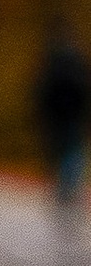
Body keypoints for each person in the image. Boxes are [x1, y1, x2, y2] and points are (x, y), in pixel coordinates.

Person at [34, 14, 91, 207]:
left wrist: (42, 113)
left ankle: (62, 187)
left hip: (55, 115)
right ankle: (70, 186)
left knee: (58, 150)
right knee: (72, 150)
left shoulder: (52, 62)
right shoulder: (78, 61)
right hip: (74, 115)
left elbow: (42, 90)